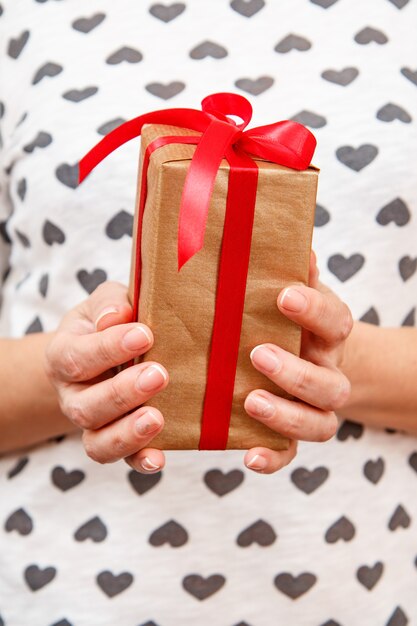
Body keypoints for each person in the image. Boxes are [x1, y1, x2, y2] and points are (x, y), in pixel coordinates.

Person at [0, 1, 416, 625]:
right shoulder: (23, 18)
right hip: (65, 592)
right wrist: (70, 374)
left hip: (358, 591)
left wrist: (333, 360)